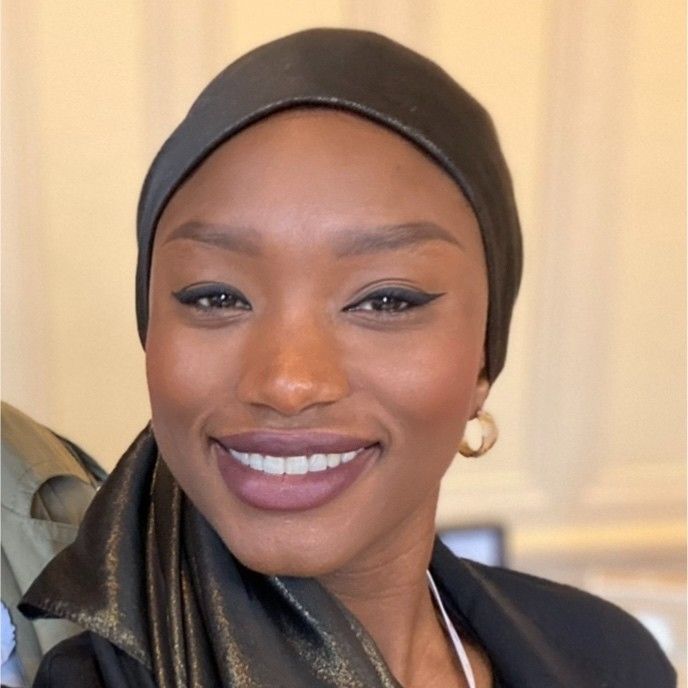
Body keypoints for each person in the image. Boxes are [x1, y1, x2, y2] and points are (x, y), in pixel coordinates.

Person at [19, 28, 675, 687]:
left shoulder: (608, 658)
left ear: (483, 359)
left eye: (387, 300)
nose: (287, 382)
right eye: (215, 296)